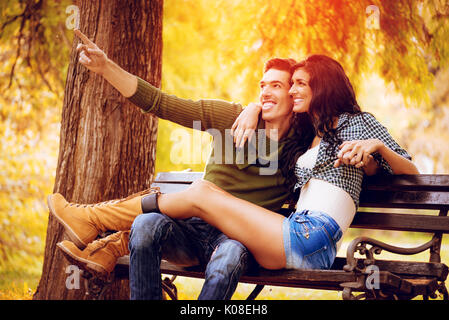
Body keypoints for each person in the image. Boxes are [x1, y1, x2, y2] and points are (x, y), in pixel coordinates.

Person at [49, 29, 312, 300]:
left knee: (230, 256)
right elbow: (161, 103)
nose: (265, 93)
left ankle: (94, 222)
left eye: (276, 86)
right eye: (263, 86)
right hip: (190, 231)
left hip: (237, 241)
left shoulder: (302, 146)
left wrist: (361, 148)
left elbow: (336, 122)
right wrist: (105, 68)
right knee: (146, 225)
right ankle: (93, 223)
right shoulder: (230, 118)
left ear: (294, 95)